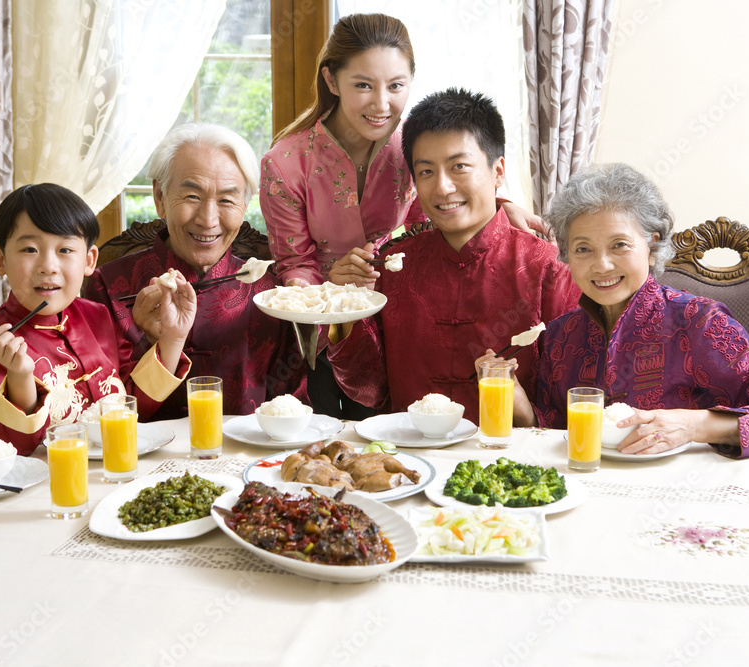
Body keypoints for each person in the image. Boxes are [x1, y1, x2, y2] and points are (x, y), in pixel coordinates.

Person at [260, 13, 542, 418]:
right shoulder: (284, 164)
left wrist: (502, 204)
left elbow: (438, 208)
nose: (381, 104)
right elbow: (295, 264)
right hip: (321, 336)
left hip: (402, 325)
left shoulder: (414, 146)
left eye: (395, 86)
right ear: (331, 80)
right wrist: (332, 297)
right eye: (362, 85)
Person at [505, 163, 749, 458]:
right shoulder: (561, 336)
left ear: (652, 248)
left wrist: (693, 426)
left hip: (682, 495)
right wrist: (521, 406)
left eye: (619, 245)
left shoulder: (699, 323)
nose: (602, 265)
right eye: (583, 249)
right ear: (567, 256)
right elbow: (558, 435)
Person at [326, 88, 582, 423]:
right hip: (412, 459)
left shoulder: (549, 269)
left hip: (509, 462)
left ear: (498, 171)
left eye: (459, 166)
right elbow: (368, 388)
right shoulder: (392, 266)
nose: (443, 187)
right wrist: (344, 309)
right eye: (427, 171)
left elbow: (574, 405)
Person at [85, 123, 307, 419]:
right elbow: (94, 403)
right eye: (192, 197)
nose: (208, 220)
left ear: (244, 206)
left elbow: (294, 407)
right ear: (160, 198)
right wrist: (145, 341)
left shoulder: (272, 294)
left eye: (227, 200)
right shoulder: (108, 286)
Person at [0, 184, 194, 455]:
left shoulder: (97, 316)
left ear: (89, 260)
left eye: (64, 250)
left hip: (116, 467)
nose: (48, 266)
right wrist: (20, 376)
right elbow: (15, 449)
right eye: (29, 249)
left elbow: (131, 406)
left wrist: (173, 338)